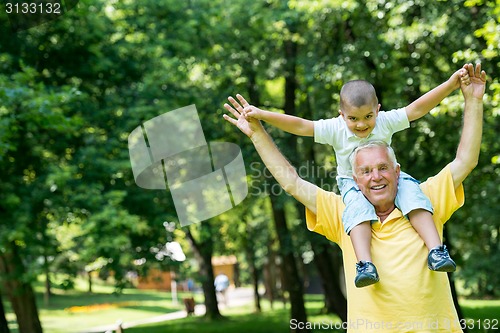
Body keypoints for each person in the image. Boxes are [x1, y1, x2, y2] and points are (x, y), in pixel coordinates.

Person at [222, 63, 486, 332]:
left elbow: (465, 160)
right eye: (366, 171)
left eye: (383, 168)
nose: (376, 177)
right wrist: (258, 131)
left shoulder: (424, 201)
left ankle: (436, 252)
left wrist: (473, 100)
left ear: (397, 172)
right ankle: (365, 265)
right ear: (355, 179)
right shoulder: (344, 213)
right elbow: (291, 181)